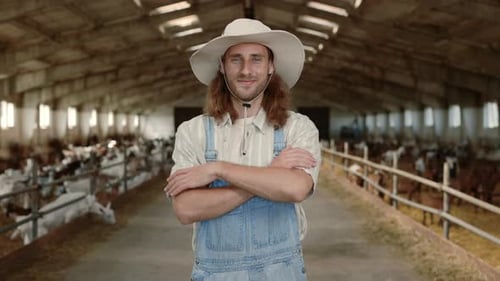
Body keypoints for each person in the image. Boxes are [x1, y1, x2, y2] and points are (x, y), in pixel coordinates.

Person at [164, 18, 321, 280]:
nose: (246, 70)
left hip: (282, 272)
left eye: (256, 59)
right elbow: (187, 209)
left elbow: (295, 188)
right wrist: (271, 174)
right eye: (236, 59)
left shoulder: (298, 127)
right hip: (216, 273)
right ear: (222, 67)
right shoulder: (193, 131)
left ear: (271, 67)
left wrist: (217, 169)